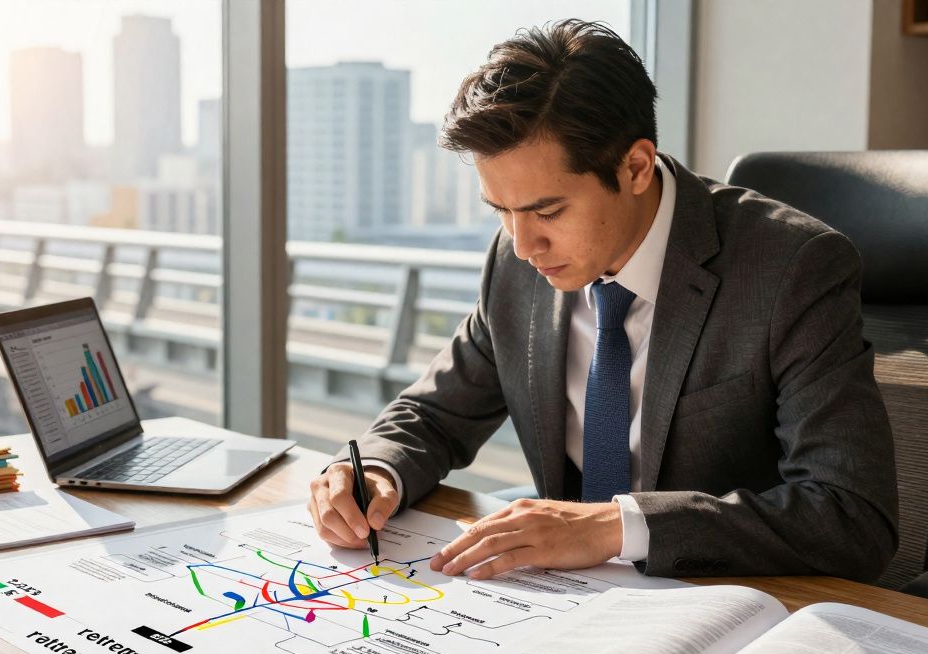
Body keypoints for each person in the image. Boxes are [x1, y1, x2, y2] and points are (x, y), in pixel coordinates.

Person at [306, 19, 898, 582]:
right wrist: (371, 471)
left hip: (727, 607)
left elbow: (850, 517)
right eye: (501, 212)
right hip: (564, 600)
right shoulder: (516, 262)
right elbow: (434, 415)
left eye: (547, 210)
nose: (523, 243)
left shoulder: (791, 269)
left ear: (636, 167)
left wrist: (619, 527)